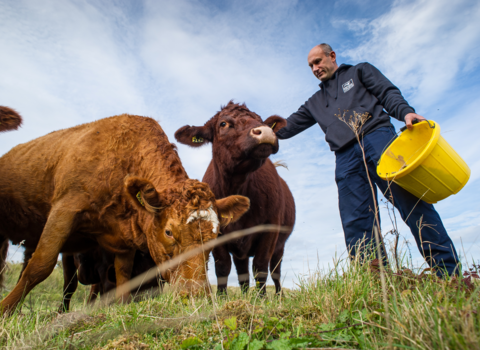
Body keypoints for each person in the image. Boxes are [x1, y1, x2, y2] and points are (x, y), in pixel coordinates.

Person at [276, 43, 459, 276]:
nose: (315, 68)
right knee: (356, 221)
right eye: (311, 65)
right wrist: (255, 130)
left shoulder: (359, 71)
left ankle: (449, 274)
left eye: (318, 61)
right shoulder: (314, 102)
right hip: (344, 157)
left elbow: (387, 92)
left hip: (378, 140)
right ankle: (375, 282)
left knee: (412, 203)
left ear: (332, 56)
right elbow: (285, 126)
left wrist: (405, 112)